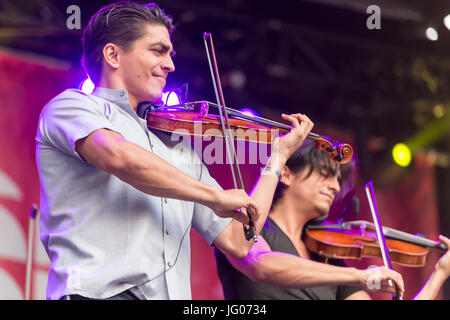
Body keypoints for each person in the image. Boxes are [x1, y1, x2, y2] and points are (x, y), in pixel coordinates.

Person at [35, 1, 314, 300]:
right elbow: (120, 157)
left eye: (170, 53)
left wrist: (277, 159)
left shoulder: (177, 147)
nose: (170, 64)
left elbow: (239, 241)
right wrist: (215, 196)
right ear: (113, 55)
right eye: (158, 51)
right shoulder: (73, 106)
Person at [215, 140, 450, 300]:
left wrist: (439, 273)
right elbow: (261, 263)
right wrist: (361, 276)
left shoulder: (329, 260)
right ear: (286, 173)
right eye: (325, 175)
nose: (335, 187)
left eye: (338, 180)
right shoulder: (249, 230)